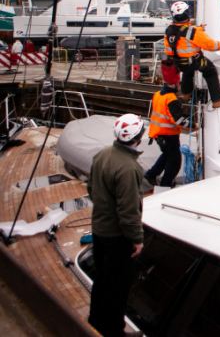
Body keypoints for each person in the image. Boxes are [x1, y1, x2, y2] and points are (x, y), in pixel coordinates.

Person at [87, 113, 146, 337]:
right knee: (118, 286)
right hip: (117, 237)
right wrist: (137, 239)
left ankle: (96, 319)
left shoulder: (102, 155)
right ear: (138, 137)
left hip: (99, 229)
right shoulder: (129, 169)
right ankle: (114, 330)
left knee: (102, 279)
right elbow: (128, 211)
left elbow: (91, 188)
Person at [163, 1, 220, 108]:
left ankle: (186, 94)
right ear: (187, 13)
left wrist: (198, 28)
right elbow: (210, 45)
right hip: (194, 61)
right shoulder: (193, 32)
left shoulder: (169, 30)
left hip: (178, 63)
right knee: (210, 72)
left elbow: (180, 35)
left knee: (187, 73)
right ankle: (217, 100)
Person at [143, 77, 188, 189]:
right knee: (175, 161)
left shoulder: (158, 94)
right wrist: (193, 125)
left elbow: (164, 111)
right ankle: (165, 185)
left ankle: (151, 174)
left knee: (167, 155)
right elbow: (178, 120)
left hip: (158, 133)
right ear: (175, 84)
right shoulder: (171, 98)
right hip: (169, 135)